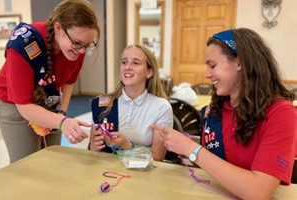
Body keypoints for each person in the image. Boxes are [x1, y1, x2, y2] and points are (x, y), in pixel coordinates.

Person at [151, 28, 297, 199]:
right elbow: (212, 169)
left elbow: (259, 192)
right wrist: (180, 147)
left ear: (240, 63)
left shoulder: (281, 114)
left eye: (212, 65)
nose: (206, 74)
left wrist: (190, 148)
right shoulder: (214, 110)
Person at [0, 0, 100, 163]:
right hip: (15, 106)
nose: (81, 51)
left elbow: (68, 83)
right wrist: (63, 122)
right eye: (77, 43)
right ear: (59, 28)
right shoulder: (23, 44)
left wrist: (61, 113)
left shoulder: (77, 49)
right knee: (26, 166)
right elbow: (24, 107)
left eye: (87, 45)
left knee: (52, 159)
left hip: (48, 99)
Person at [89, 44, 173, 161]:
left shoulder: (161, 107)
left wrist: (127, 146)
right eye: (124, 62)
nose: (127, 67)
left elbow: (157, 158)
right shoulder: (102, 104)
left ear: (149, 72)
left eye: (136, 63)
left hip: (143, 174)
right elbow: (92, 152)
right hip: (106, 172)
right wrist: (93, 146)